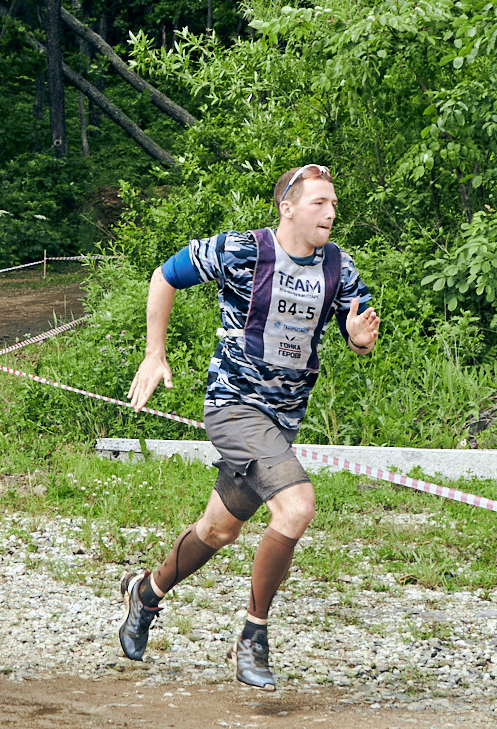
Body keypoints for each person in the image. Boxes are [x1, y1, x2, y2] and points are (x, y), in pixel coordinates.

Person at [120, 163, 380, 688]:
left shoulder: (338, 267)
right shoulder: (244, 250)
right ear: (287, 207)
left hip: (282, 420)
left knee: (219, 528)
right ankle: (253, 639)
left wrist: (358, 337)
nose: (330, 213)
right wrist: (155, 354)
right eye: (318, 203)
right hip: (233, 405)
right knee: (297, 505)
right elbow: (165, 275)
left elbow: (360, 329)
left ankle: (145, 594)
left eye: (333, 205)